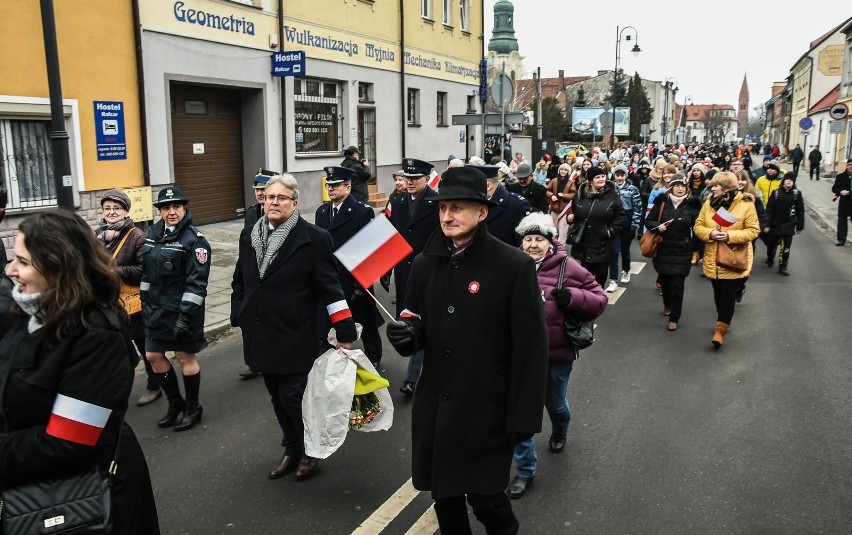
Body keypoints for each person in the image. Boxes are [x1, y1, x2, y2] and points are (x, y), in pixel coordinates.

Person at [385, 165, 548, 534]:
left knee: (487, 499)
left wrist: (523, 417)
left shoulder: (514, 266)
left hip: (487, 409)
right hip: (438, 409)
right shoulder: (426, 263)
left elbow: (531, 349)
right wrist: (409, 334)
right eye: (443, 208)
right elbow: (416, 317)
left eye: (458, 208)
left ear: (482, 211)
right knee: (444, 498)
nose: (448, 216)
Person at [1, 211, 160, 534]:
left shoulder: (97, 335)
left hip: (83, 499)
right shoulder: (29, 310)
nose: (10, 270)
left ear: (58, 266)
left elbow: (67, 441)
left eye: (23, 262)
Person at [231, 174, 357, 482]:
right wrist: (239, 312)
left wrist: (345, 332)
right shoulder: (250, 235)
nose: (273, 202)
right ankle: (291, 447)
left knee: (293, 396)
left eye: (281, 198)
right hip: (260, 333)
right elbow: (240, 279)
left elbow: (331, 288)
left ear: (295, 203)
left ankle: (309, 449)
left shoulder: (314, 238)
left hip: (295, 335)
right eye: (269, 197)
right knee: (276, 395)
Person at [505, 213, 607, 499]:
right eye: (528, 239)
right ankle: (525, 470)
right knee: (520, 413)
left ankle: (560, 429)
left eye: (539, 239)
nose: (533, 244)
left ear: (550, 242)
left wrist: (572, 298)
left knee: (555, 404)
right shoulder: (511, 265)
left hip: (555, 354)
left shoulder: (568, 267)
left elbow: (600, 299)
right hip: (519, 356)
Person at [141, 186, 211, 432]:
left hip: (183, 312)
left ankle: (193, 407)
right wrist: (144, 302)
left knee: (184, 357)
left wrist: (185, 315)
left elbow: (197, 284)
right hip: (157, 310)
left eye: (176, 207)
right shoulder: (153, 234)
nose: (172, 212)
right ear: (160, 211)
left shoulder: (195, 241)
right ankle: (175, 403)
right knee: (153, 356)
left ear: (184, 208)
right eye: (166, 207)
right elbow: (147, 273)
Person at [96, 189, 162, 406]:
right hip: (110, 303)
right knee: (118, 349)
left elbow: (145, 270)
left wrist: (116, 270)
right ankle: (117, 389)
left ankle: (155, 385)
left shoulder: (137, 237)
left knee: (145, 348)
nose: (112, 212)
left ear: (125, 210)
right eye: (108, 208)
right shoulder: (98, 236)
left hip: (135, 304)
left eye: (117, 208)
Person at [315, 166, 384, 367]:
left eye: (336, 185)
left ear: (348, 186)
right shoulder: (322, 212)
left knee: (365, 320)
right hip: (330, 277)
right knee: (329, 319)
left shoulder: (361, 212)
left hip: (354, 277)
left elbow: (368, 249)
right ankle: (331, 357)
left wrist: (360, 283)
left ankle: (374, 355)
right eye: (329, 185)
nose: (331, 188)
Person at [388, 158, 440, 396]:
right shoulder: (397, 203)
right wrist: (385, 269)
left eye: (413, 178)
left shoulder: (436, 204)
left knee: (426, 321)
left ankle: (412, 376)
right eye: (406, 178)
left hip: (430, 272)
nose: (408, 182)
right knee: (410, 322)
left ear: (426, 179)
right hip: (404, 272)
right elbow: (388, 238)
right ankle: (414, 373)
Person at [693, 171, 760, 349]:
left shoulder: (745, 204)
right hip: (713, 258)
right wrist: (711, 233)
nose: (712, 187)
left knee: (728, 296)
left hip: (734, 258)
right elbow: (698, 226)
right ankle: (723, 319)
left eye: (716, 185)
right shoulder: (709, 203)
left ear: (726, 187)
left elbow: (753, 231)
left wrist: (729, 235)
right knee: (718, 294)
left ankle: (720, 330)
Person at [644, 176, 701, 331]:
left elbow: (698, 229)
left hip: (682, 250)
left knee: (678, 285)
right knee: (666, 283)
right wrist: (658, 227)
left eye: (683, 186)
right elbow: (648, 221)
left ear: (687, 188)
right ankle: (667, 305)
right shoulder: (662, 202)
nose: (680, 188)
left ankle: (674, 317)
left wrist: (696, 249)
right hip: (663, 249)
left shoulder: (692, 206)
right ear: (671, 187)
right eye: (676, 185)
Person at [565, 167, 627, 289]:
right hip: (584, 240)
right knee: (585, 274)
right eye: (597, 177)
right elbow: (574, 211)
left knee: (601, 273)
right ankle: (587, 299)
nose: (601, 179)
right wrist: (570, 216)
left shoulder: (612, 195)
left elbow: (621, 217)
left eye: (603, 176)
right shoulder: (580, 195)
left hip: (602, 241)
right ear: (590, 181)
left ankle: (597, 297)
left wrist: (610, 231)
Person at [240, 169, 276, 379]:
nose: (260, 193)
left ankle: (273, 357)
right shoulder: (251, 212)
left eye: (264, 189)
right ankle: (255, 362)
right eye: (257, 190)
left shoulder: (278, 211)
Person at [764, 173, 804, 275]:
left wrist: (800, 226)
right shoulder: (776, 193)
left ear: (794, 182)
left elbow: (800, 210)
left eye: (791, 180)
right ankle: (770, 256)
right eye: (787, 179)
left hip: (789, 224)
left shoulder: (796, 194)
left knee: (786, 247)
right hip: (775, 224)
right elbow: (769, 210)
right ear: (783, 181)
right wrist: (767, 225)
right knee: (771, 245)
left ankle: (783, 266)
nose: (789, 181)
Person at [482, 164, 532, 246]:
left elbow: (523, 244)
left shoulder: (517, 205)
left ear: (488, 186)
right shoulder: (474, 204)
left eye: (474, 185)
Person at [609, 164, 642, 287]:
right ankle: (613, 279)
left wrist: (634, 225)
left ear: (626, 176)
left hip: (627, 223)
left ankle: (626, 270)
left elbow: (638, 208)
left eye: (622, 175)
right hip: (613, 223)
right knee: (614, 251)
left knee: (625, 250)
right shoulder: (610, 188)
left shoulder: (632, 189)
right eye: (617, 175)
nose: (620, 178)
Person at [546, 162, 578, 245]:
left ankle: (561, 249)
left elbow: (574, 194)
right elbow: (547, 190)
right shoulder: (554, 180)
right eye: (562, 169)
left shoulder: (571, 182)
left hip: (565, 210)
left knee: (563, 231)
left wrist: (564, 195)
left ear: (568, 171)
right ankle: (551, 246)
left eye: (565, 170)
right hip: (554, 208)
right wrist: (552, 195)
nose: (563, 171)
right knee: (552, 229)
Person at [831, 158, 852, 246]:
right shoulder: (840, 176)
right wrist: (840, 192)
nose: (851, 166)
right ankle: (841, 239)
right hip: (845, 202)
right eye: (850, 165)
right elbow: (834, 188)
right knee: (842, 220)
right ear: (846, 166)